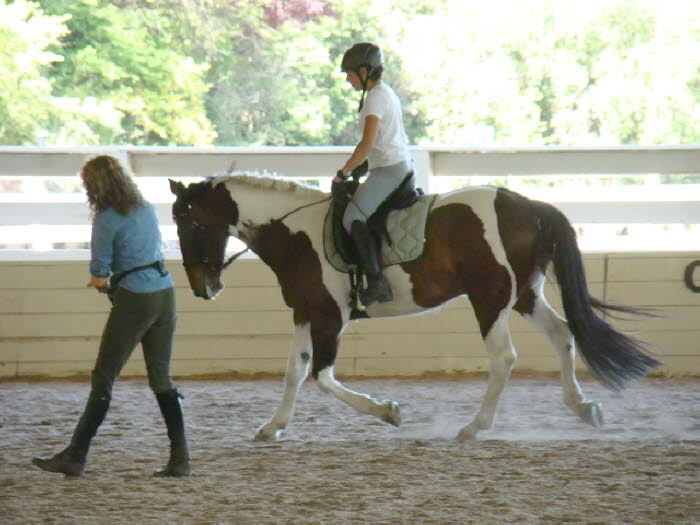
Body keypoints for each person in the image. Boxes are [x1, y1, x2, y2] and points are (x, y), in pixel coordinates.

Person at [32, 155, 190, 477]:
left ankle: (75, 455)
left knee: (104, 378)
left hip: (135, 299)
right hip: (165, 293)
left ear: (96, 186)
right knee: (161, 379)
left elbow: (100, 271)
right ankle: (180, 459)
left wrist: (99, 281)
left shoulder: (105, 219)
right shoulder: (146, 209)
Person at [334, 41, 412, 305]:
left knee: (351, 217)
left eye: (351, 72)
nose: (348, 78)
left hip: (390, 170)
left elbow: (366, 144)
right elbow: (382, 140)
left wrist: (342, 174)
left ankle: (377, 282)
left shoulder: (375, 98)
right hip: (393, 164)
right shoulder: (384, 92)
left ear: (365, 70)